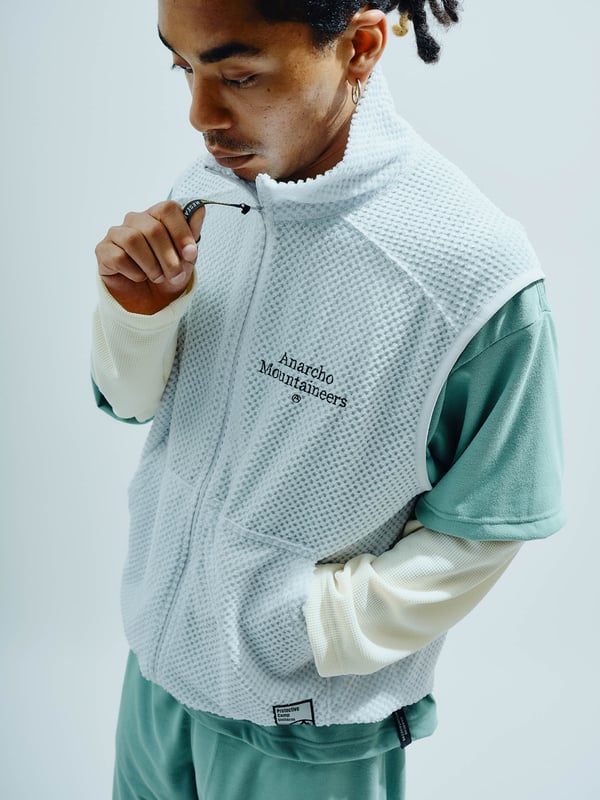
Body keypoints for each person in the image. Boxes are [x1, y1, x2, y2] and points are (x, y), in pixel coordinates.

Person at [91, 1, 565, 798]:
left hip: (305, 729)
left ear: (362, 45)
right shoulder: (209, 192)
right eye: (184, 66)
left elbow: (488, 522)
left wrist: (311, 625)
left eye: (240, 75)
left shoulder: (472, 272)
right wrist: (138, 316)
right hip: (157, 680)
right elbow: (133, 403)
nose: (200, 114)